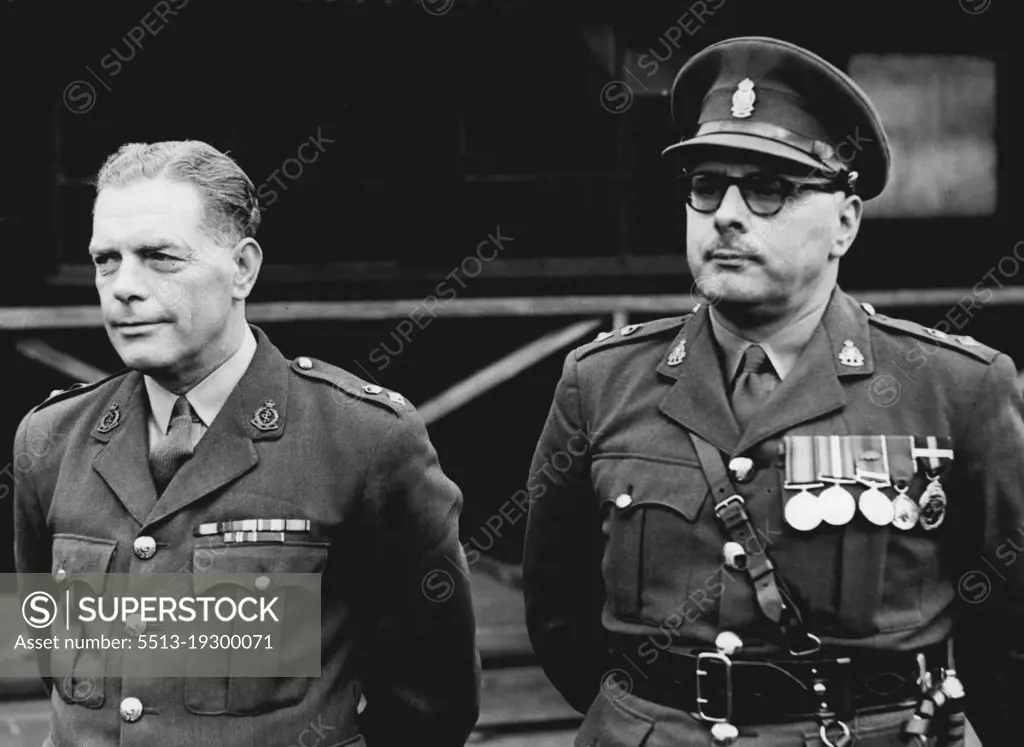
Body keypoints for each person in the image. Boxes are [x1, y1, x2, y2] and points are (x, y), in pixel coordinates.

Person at [523, 36, 1017, 746]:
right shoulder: (599, 383)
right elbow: (559, 616)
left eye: (768, 188)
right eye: (706, 185)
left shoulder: (953, 389)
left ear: (845, 221)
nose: (726, 212)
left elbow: (1009, 635)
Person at [12, 140, 480, 746]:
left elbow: (430, 699)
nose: (123, 286)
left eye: (159, 257)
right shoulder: (50, 439)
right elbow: (54, 653)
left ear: (243, 269)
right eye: (107, 260)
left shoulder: (361, 441)